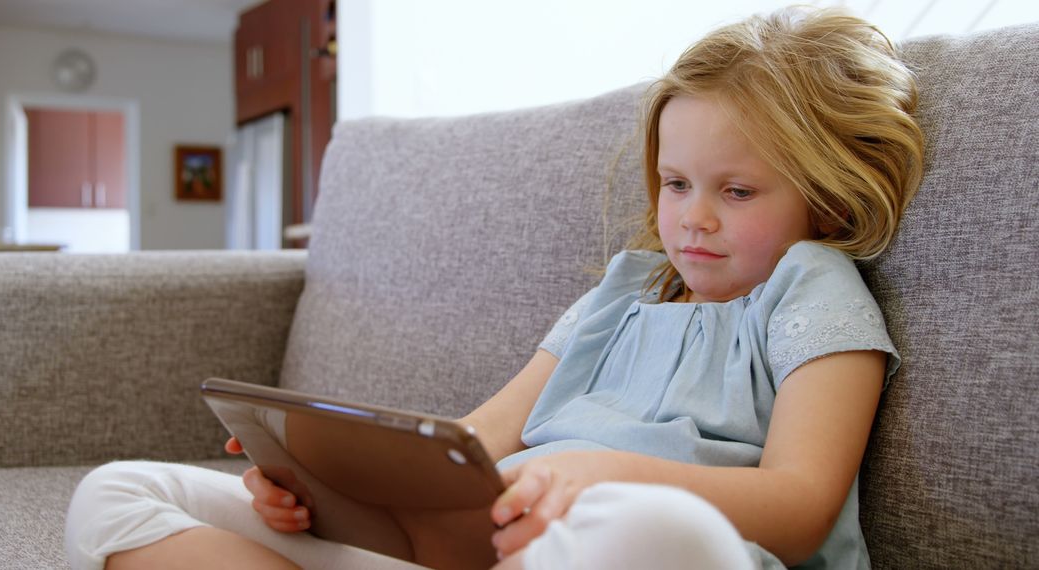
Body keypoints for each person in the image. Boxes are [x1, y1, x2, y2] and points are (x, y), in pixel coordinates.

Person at [65, 6, 924, 569]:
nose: (693, 219)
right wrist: (323, 472)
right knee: (120, 493)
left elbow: (801, 506)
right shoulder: (623, 292)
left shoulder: (813, 288)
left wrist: (601, 476)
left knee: (665, 534)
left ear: (824, 194)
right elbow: (476, 440)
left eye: (736, 192)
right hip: (478, 544)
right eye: (674, 184)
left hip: (636, 549)